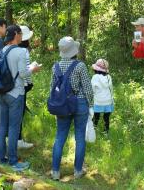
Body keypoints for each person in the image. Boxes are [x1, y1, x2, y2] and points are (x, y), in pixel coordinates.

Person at [0, 25, 41, 172]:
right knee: (14, 127)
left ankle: (1, 159)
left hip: (2, 92)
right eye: (21, 33)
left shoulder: (3, 49)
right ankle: (13, 161)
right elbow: (23, 74)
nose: (22, 36)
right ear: (16, 34)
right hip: (16, 93)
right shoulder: (21, 51)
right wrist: (33, 69)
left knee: (2, 126)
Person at [51, 36, 94, 181]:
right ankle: (77, 171)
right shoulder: (80, 66)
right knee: (80, 138)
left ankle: (55, 171)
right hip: (80, 103)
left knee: (60, 137)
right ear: (74, 51)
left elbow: (53, 87)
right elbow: (87, 88)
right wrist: (91, 105)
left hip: (62, 104)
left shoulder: (55, 66)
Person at [17, 25, 35, 149]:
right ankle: (18, 140)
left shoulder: (11, 49)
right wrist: (34, 69)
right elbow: (25, 72)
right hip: (22, 85)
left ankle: (14, 139)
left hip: (13, 86)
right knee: (19, 113)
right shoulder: (24, 52)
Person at [91, 59, 113, 135]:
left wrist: (91, 99)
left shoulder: (95, 77)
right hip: (108, 101)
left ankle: (93, 129)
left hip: (98, 101)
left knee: (96, 116)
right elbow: (111, 89)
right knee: (106, 118)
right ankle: (106, 132)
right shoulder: (109, 77)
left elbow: (92, 90)